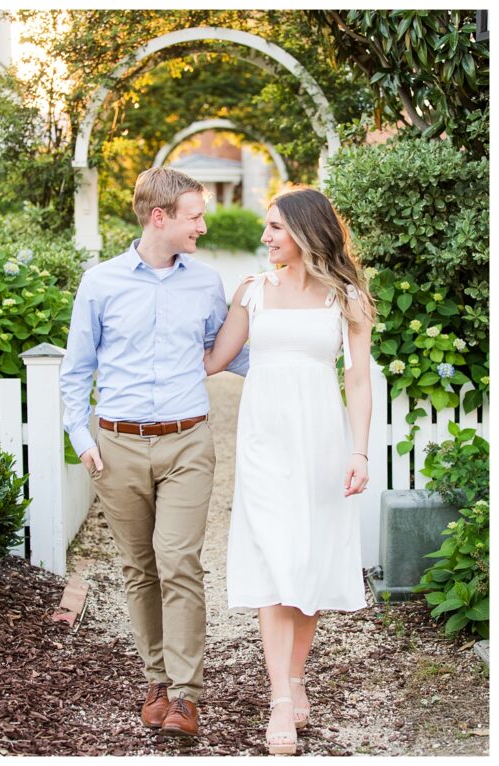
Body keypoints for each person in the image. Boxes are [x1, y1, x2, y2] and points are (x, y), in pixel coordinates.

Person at [60, 167, 248, 738]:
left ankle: (187, 696)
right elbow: (76, 370)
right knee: (139, 569)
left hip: (188, 440)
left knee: (179, 563)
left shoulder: (206, 283)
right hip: (116, 444)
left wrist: (296, 362)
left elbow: (228, 353)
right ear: (159, 217)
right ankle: (157, 680)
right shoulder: (101, 283)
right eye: (194, 215)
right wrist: (82, 438)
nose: (204, 224)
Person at [203, 187, 374, 755]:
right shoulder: (252, 291)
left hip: (322, 442)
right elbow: (213, 360)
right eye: (266, 227)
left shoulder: (345, 296)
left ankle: (297, 676)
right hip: (263, 443)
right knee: (275, 559)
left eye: (275, 227)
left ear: (305, 231)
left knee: (309, 558)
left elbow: (358, 380)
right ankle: (280, 696)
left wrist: (360, 451)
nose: (265, 237)